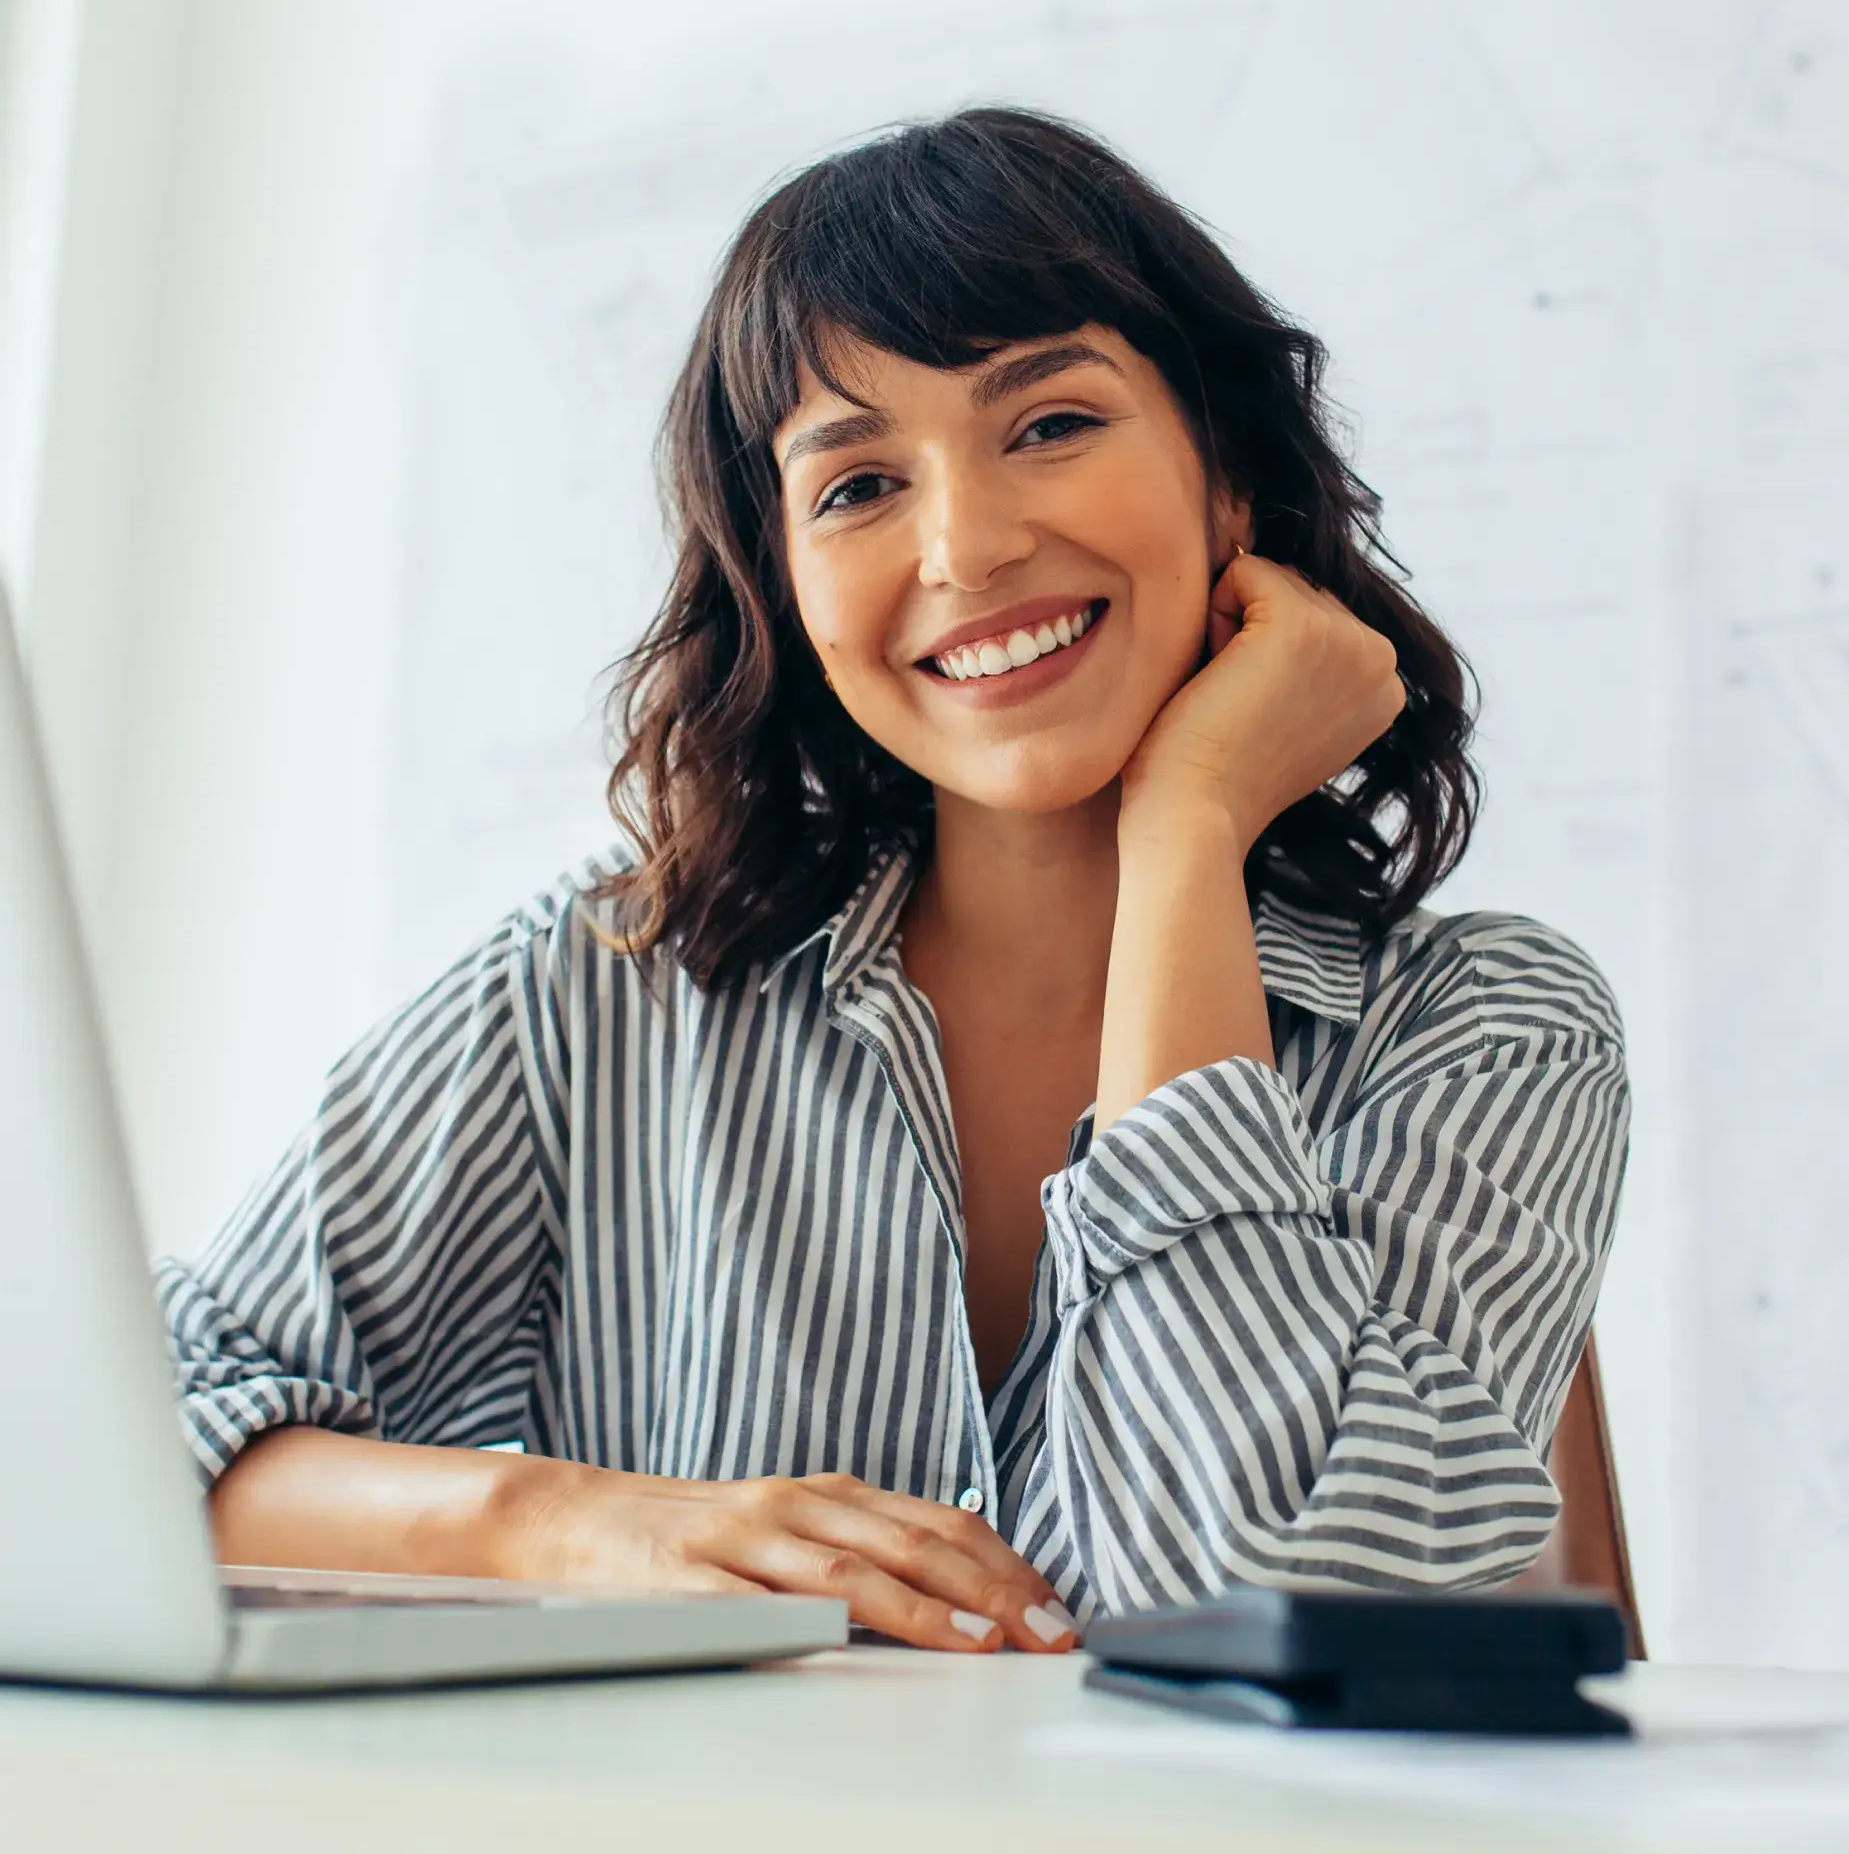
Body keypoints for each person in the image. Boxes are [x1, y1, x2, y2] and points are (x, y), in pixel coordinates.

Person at [159, 108, 1629, 1655]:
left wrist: (1187, 835)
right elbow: (110, 1442)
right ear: (786, 588)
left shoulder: (1494, 1028)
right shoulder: (603, 986)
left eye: (1052, 423)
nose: (969, 546)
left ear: (1228, 488)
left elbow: (1269, 1614)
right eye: (857, 487)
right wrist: (560, 1521)